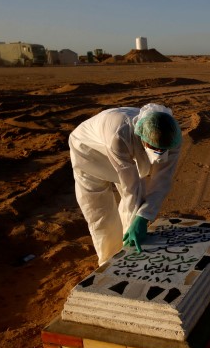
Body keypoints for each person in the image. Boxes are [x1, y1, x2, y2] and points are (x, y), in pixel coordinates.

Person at [69, 104, 182, 264]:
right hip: (89, 151)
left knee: (138, 205)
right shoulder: (119, 135)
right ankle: (109, 260)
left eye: (163, 150)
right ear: (142, 138)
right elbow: (130, 186)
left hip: (125, 148)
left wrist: (142, 217)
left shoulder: (173, 137)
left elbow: (162, 180)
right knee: (99, 209)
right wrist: (139, 219)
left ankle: (128, 251)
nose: (159, 154)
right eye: (154, 148)